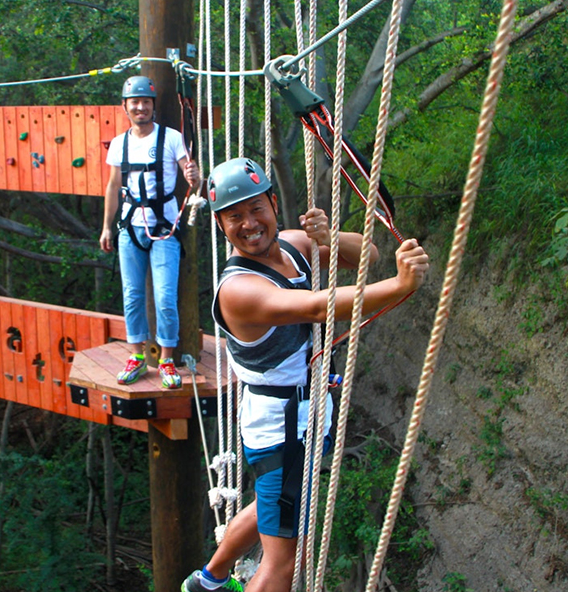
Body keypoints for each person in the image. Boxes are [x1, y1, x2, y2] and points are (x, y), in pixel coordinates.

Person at [182, 157, 430, 592]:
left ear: (273, 204)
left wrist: (329, 237)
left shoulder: (296, 245)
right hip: (280, 426)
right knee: (282, 564)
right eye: (234, 216)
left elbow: (366, 255)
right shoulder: (239, 290)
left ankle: (209, 579)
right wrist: (400, 286)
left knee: (274, 504)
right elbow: (318, 306)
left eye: (256, 208)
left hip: (307, 409)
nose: (248, 223)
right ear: (220, 225)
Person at [100, 75, 201, 389]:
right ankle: (136, 356)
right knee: (132, 295)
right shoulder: (120, 144)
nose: (140, 107)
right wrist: (106, 227)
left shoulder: (170, 138)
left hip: (164, 227)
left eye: (146, 102)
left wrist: (193, 175)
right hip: (131, 226)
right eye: (135, 103)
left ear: (153, 106)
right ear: (125, 107)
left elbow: (192, 179)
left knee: (165, 297)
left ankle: (167, 360)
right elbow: (114, 186)